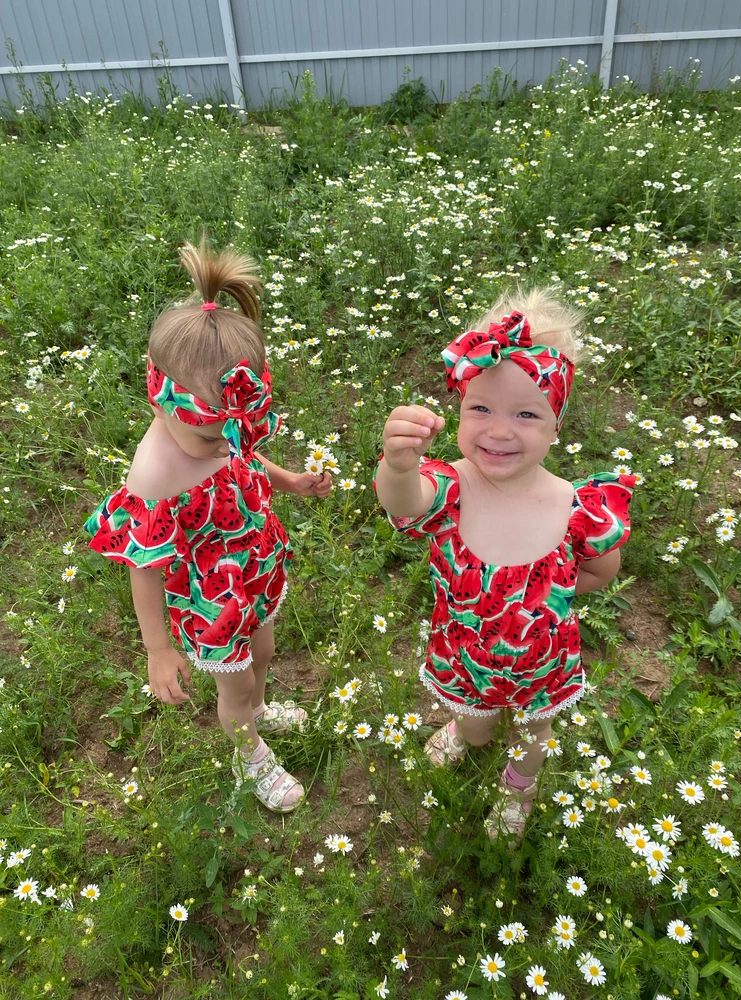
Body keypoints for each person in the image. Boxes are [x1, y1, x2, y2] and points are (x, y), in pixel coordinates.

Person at [375, 289, 635, 840]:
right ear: (460, 409)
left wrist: (551, 596)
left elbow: (601, 570)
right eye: (481, 408)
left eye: (525, 413)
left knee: (533, 734)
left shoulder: (575, 507)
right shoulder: (451, 487)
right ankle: (468, 730)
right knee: (473, 724)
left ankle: (519, 787)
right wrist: (397, 465)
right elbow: (404, 503)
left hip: (541, 661)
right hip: (464, 654)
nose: (497, 430)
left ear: (556, 424)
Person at [85, 240, 332, 814]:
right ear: (159, 398)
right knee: (235, 683)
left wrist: (286, 479)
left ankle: (260, 708)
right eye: (211, 438)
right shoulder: (156, 472)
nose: (225, 446)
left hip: (252, 558)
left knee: (264, 647)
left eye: (234, 435)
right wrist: (157, 649)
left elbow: (239, 457)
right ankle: (249, 754)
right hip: (210, 591)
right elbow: (144, 569)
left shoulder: (215, 434)